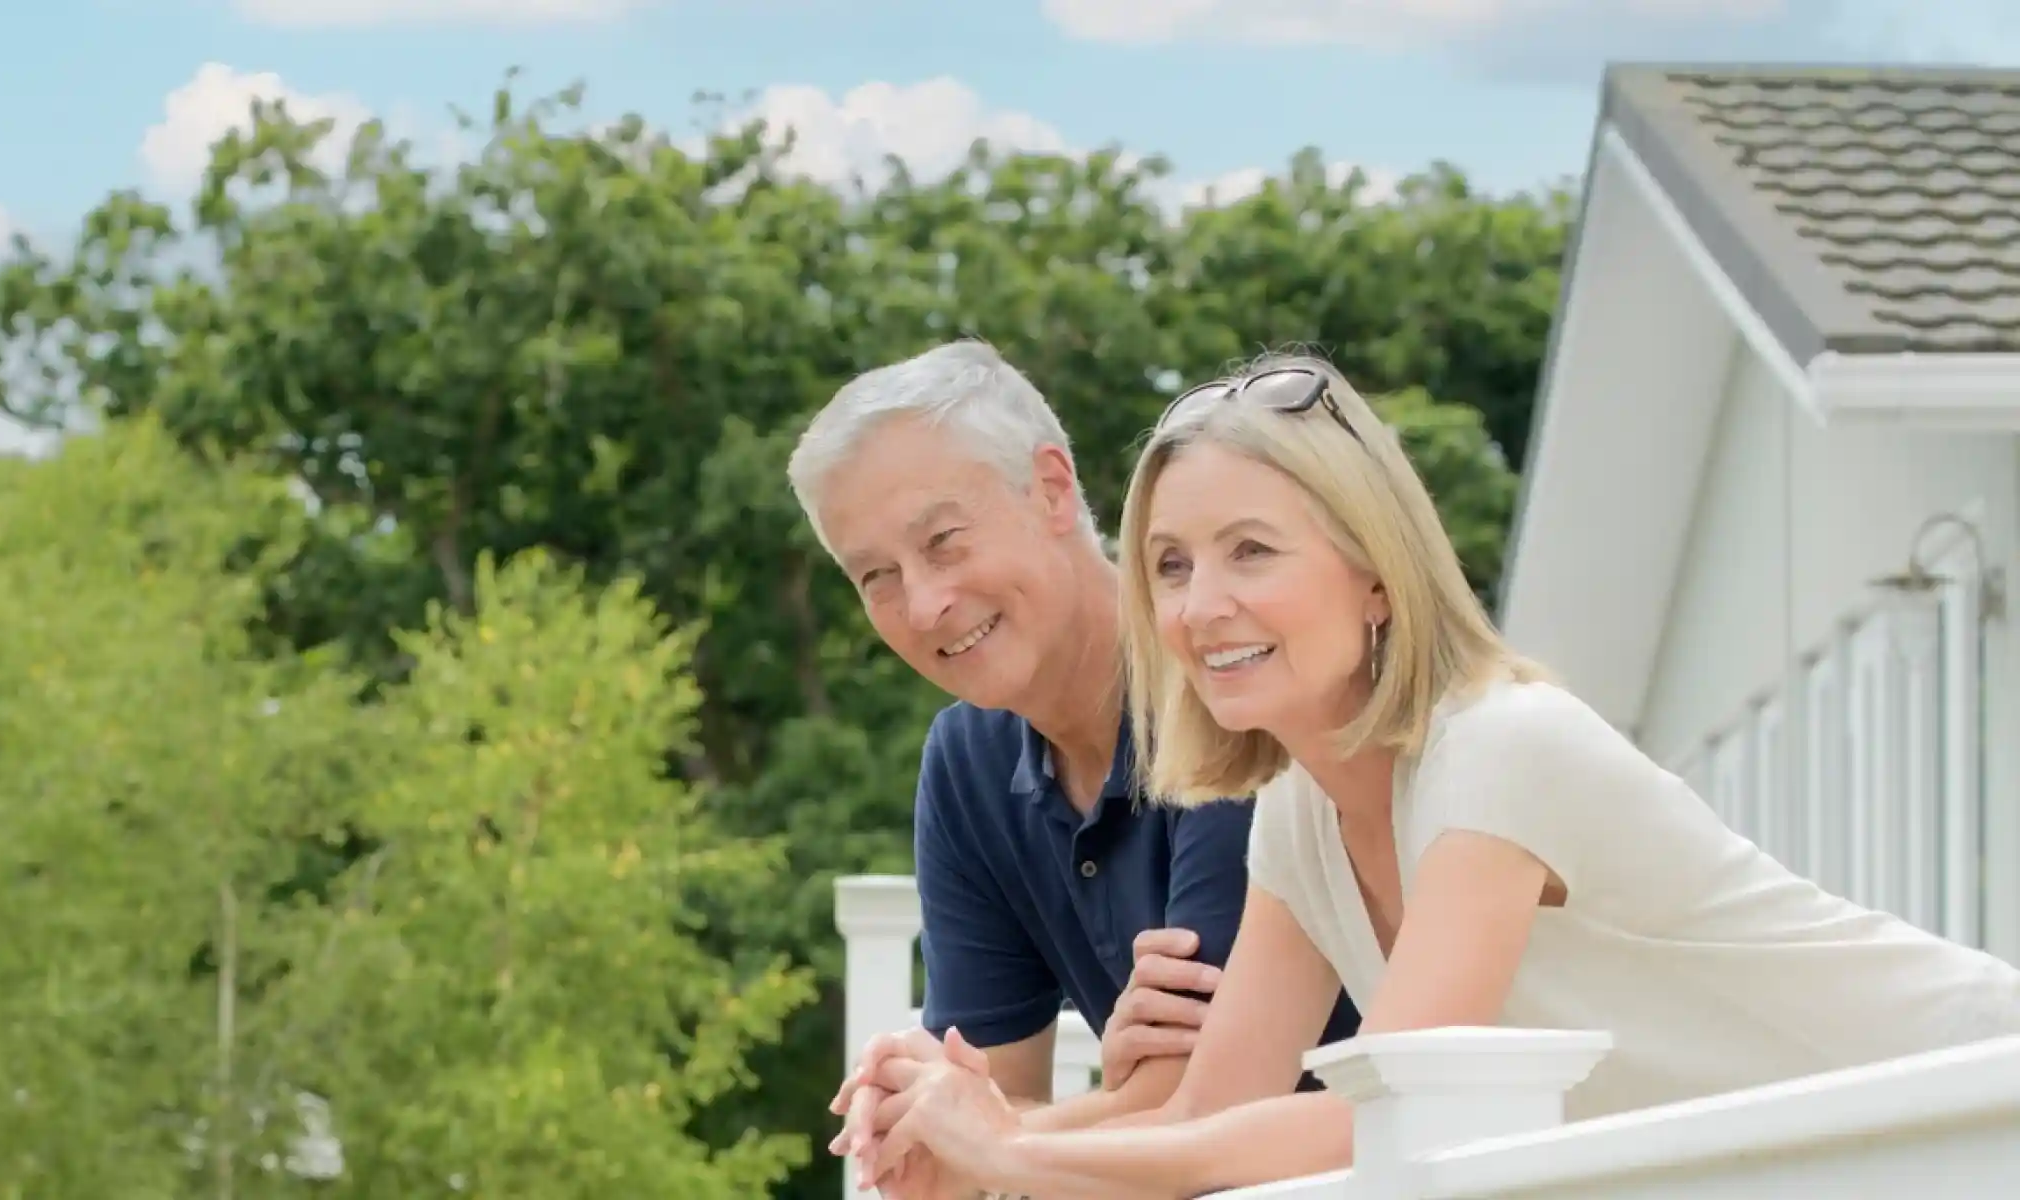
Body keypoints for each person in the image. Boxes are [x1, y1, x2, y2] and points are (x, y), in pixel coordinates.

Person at [833, 354, 2020, 1198]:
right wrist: (984, 1145)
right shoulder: (1297, 817)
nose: (1202, 606)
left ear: (1376, 578)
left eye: (1253, 551)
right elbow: (1210, 1119)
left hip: (1966, 1107)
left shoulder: (1499, 750)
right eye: (1172, 565)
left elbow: (1385, 1114)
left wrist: (1017, 1151)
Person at [786, 341, 1361, 1195]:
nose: (923, 604)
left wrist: (978, 1134)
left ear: (1052, 489)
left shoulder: (1227, 681)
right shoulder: (967, 762)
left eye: (943, 542)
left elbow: (1200, 1097)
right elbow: (1000, 1096)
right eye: (876, 576)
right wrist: (966, 1126)